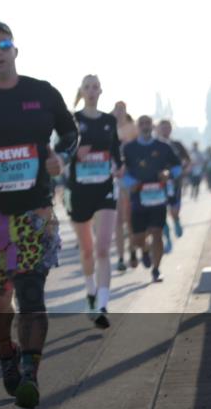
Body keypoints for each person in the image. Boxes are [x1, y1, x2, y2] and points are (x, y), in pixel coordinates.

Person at [0, 21, 78, 409]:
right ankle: (5, 350)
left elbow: (69, 132)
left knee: (32, 294)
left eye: (5, 44)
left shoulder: (42, 92)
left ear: (15, 50)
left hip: (35, 210)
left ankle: (30, 372)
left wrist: (60, 157)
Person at [66, 75, 122, 329]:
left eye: (95, 87)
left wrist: (119, 167)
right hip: (79, 191)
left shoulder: (110, 121)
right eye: (86, 87)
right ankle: (90, 292)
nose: (91, 91)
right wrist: (75, 154)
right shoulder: (73, 120)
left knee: (102, 248)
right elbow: (61, 152)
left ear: (101, 91)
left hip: (104, 190)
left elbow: (117, 154)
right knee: (87, 249)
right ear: (82, 91)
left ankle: (102, 303)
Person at [121, 116, 183, 283]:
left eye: (148, 123)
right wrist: (129, 183)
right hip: (138, 199)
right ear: (137, 127)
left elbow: (177, 167)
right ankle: (145, 250)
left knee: (157, 233)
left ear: (152, 126)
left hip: (158, 198)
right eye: (141, 124)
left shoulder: (163, 146)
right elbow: (121, 171)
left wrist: (168, 174)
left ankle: (156, 269)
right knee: (138, 238)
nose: (145, 126)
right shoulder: (129, 148)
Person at [156, 119, 191, 252]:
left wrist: (183, 170)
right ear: (158, 129)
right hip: (158, 184)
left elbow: (187, 160)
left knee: (174, 211)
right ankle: (167, 239)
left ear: (171, 129)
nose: (165, 130)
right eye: (163, 127)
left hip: (175, 183)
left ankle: (176, 221)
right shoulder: (154, 145)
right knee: (161, 214)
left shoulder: (176, 144)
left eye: (167, 127)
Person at [111, 101, 137, 271]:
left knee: (130, 218)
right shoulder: (107, 127)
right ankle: (121, 258)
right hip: (112, 178)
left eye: (122, 109)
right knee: (118, 220)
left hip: (129, 177)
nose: (119, 111)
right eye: (117, 109)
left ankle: (133, 250)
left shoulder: (132, 128)